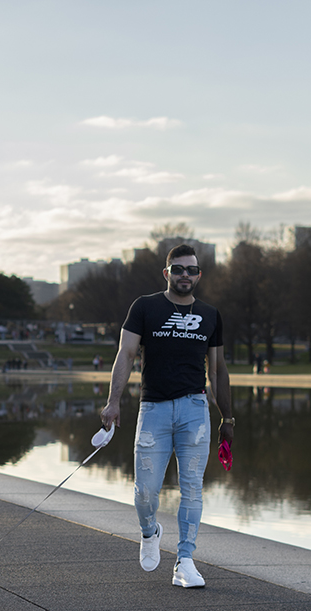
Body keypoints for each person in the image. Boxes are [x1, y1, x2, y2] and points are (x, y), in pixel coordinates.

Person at [100, 244, 233, 588]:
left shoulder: (210, 314)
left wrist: (228, 418)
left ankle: (185, 561)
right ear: (166, 273)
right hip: (153, 410)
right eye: (178, 269)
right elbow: (126, 354)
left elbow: (218, 370)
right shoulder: (145, 307)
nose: (185, 275)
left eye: (191, 270)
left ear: (199, 275)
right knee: (145, 493)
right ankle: (149, 531)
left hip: (194, 410)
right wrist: (113, 402)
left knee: (192, 490)